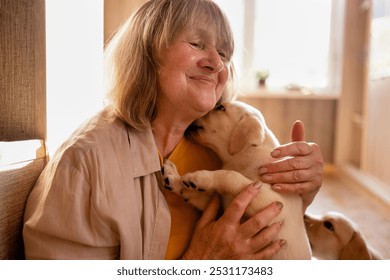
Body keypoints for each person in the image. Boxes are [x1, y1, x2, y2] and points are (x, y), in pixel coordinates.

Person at [23, 0, 323, 260]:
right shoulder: (84, 166)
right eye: (196, 43)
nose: (216, 63)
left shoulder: (224, 146)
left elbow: (280, 236)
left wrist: (301, 190)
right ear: (147, 54)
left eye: (224, 52)